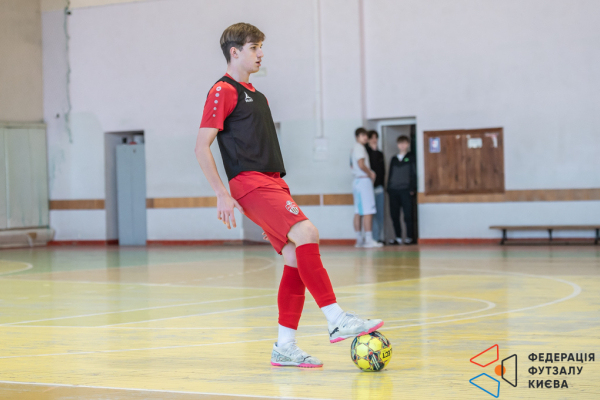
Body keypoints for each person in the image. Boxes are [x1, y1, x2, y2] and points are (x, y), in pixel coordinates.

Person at [194, 23, 383, 369]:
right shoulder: (222, 90)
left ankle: (284, 346)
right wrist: (221, 193)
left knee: (295, 255)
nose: (261, 54)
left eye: (261, 47)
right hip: (250, 183)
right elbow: (201, 146)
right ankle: (336, 318)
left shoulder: (258, 96)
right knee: (307, 232)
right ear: (235, 52)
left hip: (273, 183)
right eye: (254, 47)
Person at [350, 128, 383, 248]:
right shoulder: (359, 147)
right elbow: (361, 164)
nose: (365, 137)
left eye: (366, 135)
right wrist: (370, 173)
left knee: (358, 211)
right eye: (363, 135)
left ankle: (359, 239)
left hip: (357, 181)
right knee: (368, 211)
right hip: (363, 180)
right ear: (357, 136)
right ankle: (369, 240)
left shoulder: (354, 148)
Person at [387, 135, 417, 245]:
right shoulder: (394, 159)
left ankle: (409, 237)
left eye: (404, 143)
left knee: (407, 215)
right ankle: (398, 237)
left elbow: (413, 173)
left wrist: (412, 188)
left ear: (408, 144)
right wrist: (389, 188)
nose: (402, 145)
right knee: (394, 215)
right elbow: (390, 174)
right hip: (393, 190)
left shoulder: (411, 157)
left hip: (406, 190)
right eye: (400, 143)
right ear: (397, 145)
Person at [365, 130, 385, 244]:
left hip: (379, 187)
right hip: (369, 188)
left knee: (380, 214)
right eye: (372, 137)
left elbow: (382, 171)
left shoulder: (380, 154)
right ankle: (373, 238)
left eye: (376, 137)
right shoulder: (366, 152)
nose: (374, 140)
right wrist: (372, 150)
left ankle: (378, 237)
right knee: (371, 214)